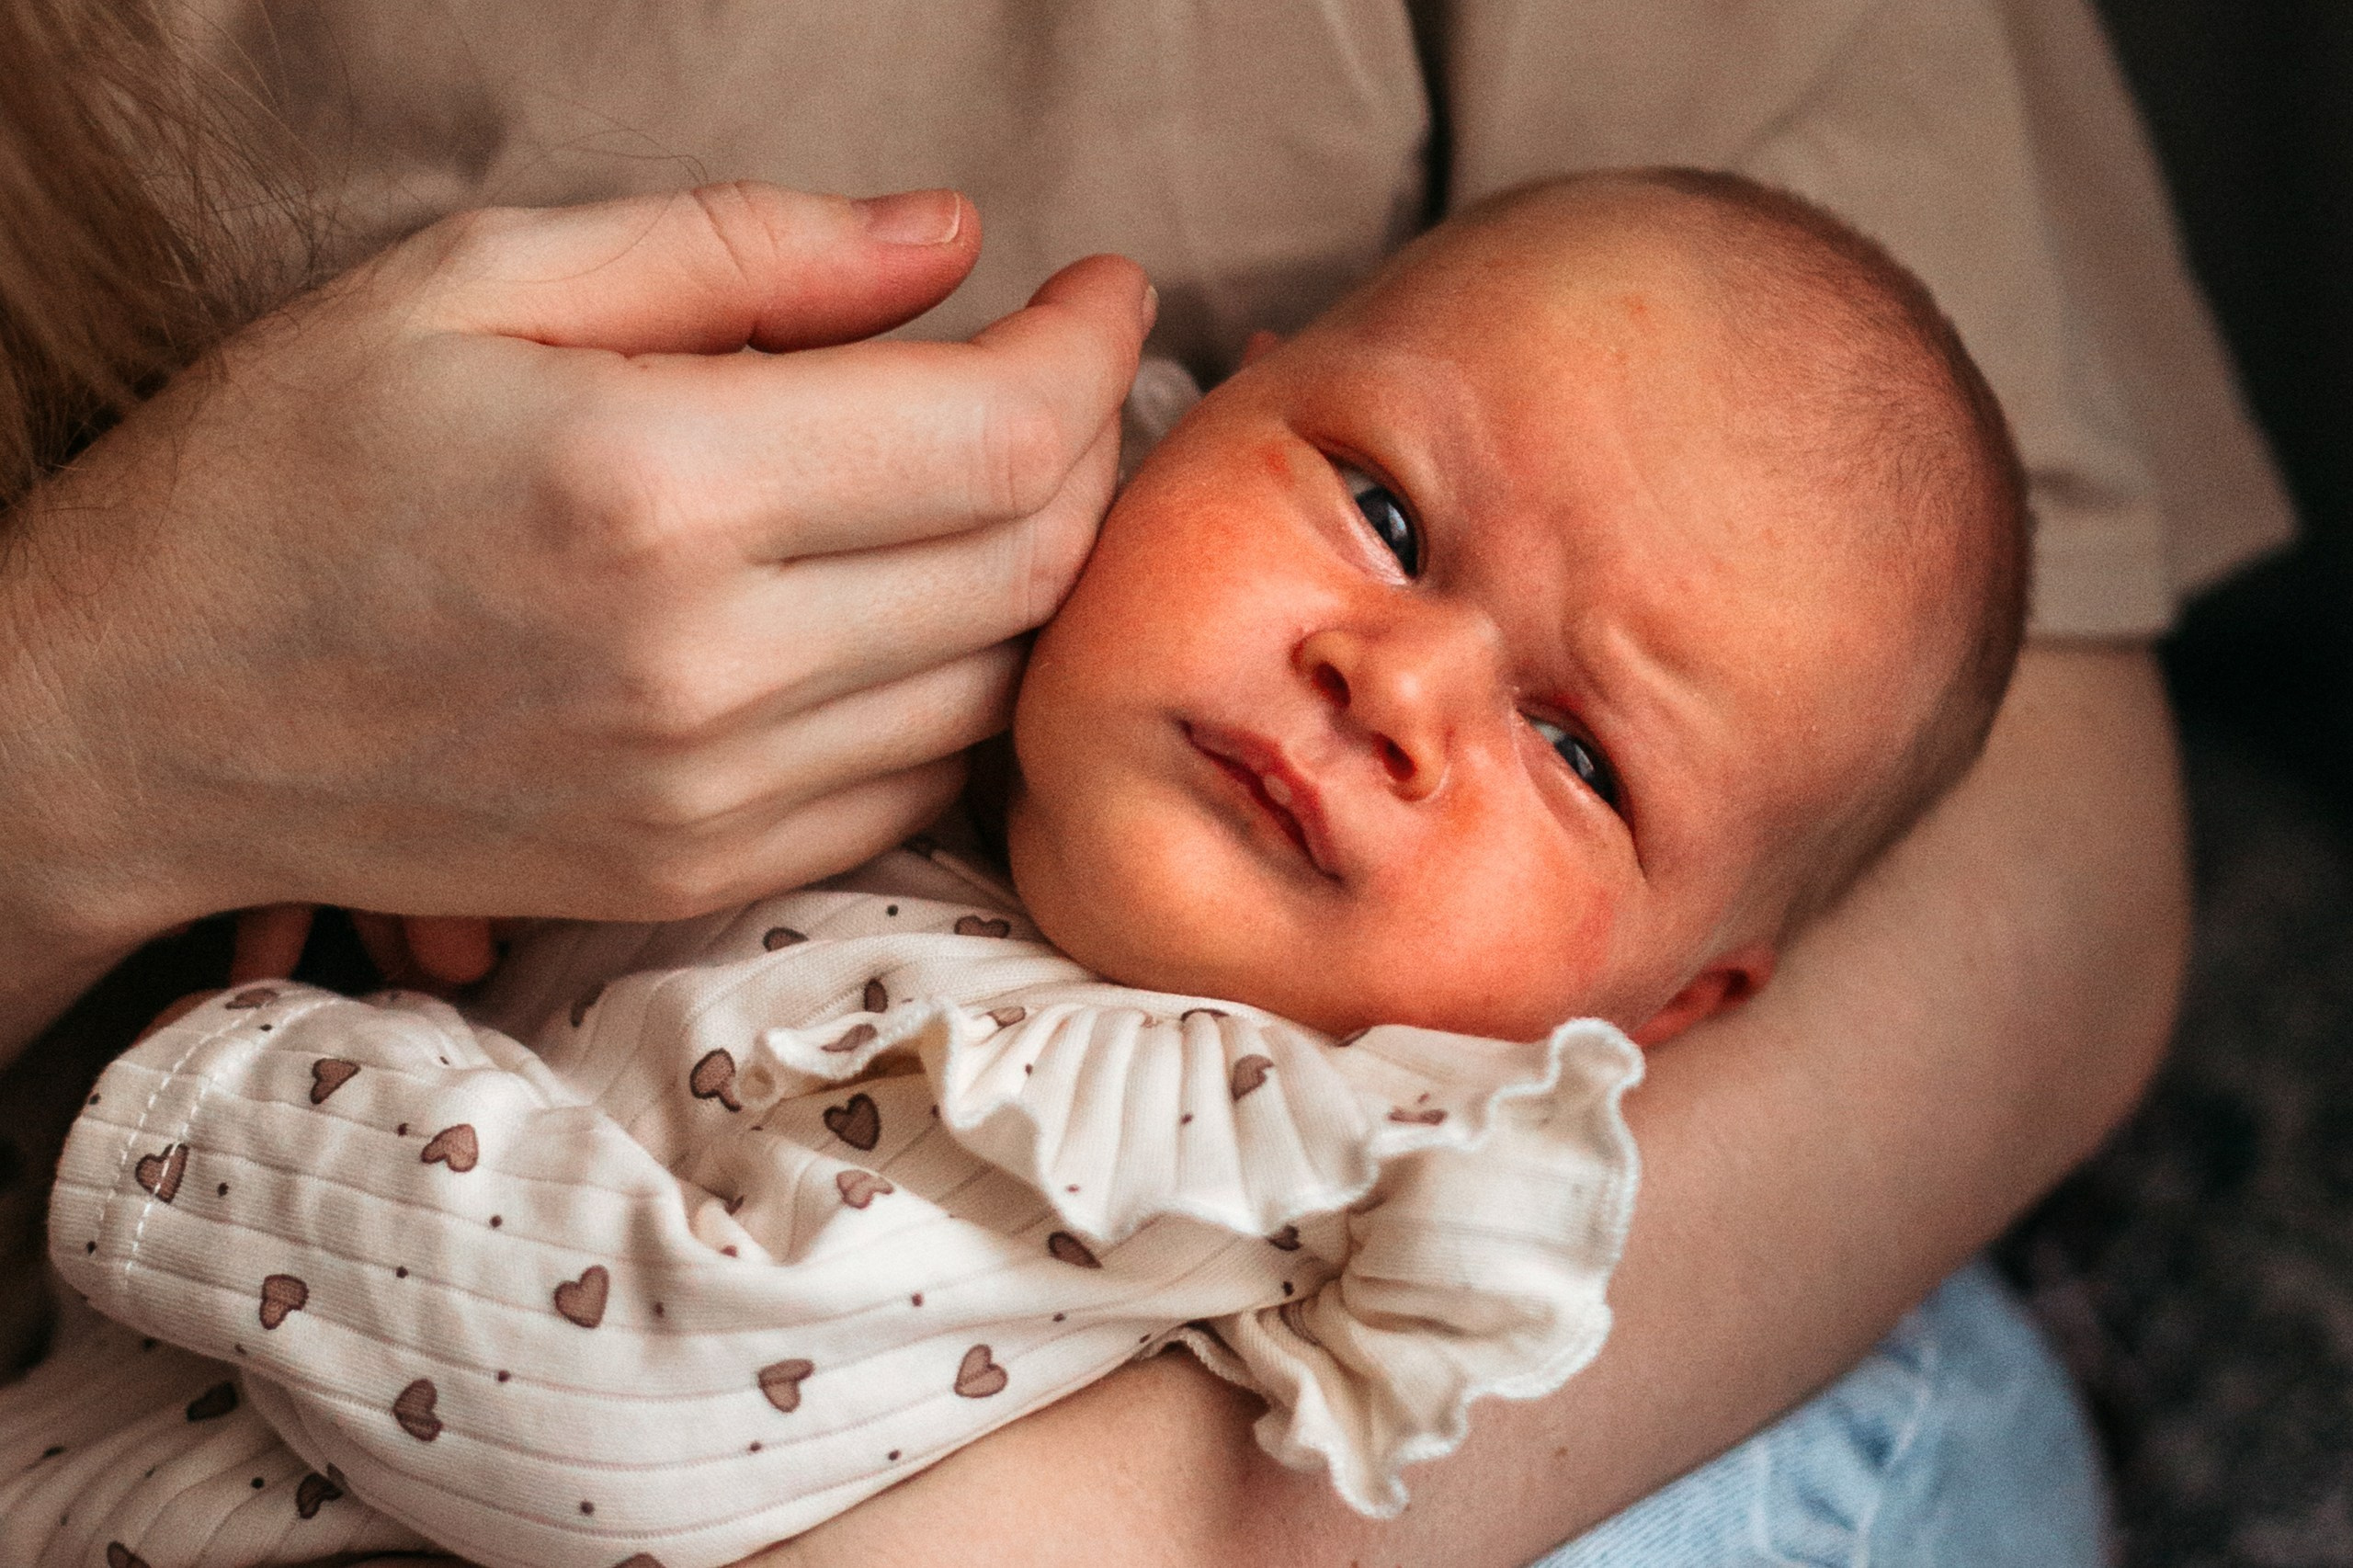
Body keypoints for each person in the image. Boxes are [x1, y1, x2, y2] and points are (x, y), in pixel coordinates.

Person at [0, 1, 2290, 1563]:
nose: (1393, 680)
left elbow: (613, 1388)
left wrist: (228, 1102)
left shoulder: (1203, 1154)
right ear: (1199, 404)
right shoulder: (930, 828)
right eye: (1384, 517)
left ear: (1678, 1006)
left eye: (1578, 754)